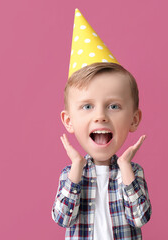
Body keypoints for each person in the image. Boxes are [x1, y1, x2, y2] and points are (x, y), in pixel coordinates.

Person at [52, 9, 151, 240]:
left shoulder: (133, 172)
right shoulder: (69, 174)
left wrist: (125, 166)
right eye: (87, 106)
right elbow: (62, 218)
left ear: (134, 119)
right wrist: (76, 168)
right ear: (69, 121)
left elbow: (140, 218)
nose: (100, 116)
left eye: (113, 106)